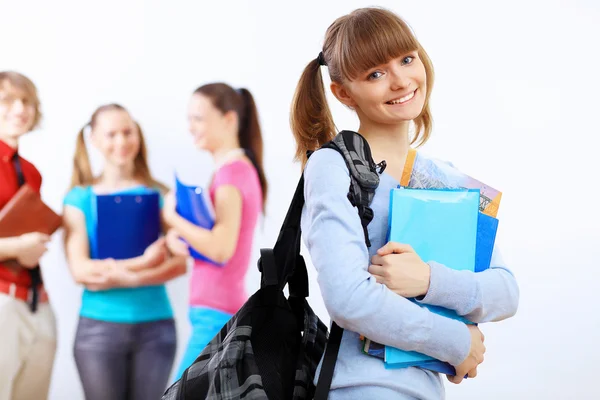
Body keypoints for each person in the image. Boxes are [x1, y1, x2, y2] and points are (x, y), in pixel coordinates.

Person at [290, 7, 520, 399]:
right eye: (375, 74)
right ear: (343, 93)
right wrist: (456, 342)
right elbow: (348, 298)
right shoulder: (333, 165)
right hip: (363, 388)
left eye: (406, 59)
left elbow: (505, 291)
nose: (400, 81)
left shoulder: (444, 177)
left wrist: (428, 281)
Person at [62, 103, 187, 400]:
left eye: (128, 132)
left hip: (156, 330)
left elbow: (180, 264)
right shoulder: (78, 198)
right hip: (97, 331)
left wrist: (117, 274)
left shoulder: (161, 196)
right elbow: (81, 271)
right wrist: (144, 264)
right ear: (93, 139)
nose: (122, 142)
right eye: (111, 134)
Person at [162, 83, 267, 378]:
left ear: (229, 119)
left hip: (215, 313)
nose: (191, 127)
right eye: (189, 119)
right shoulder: (233, 171)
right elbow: (216, 240)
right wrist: (178, 237)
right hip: (214, 311)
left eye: (199, 118)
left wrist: (172, 217)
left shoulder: (231, 174)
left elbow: (221, 249)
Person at [0, 71, 57, 400]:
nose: (20, 108)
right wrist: (18, 247)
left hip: (35, 301)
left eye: (27, 101)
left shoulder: (31, 171)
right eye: (7, 100)